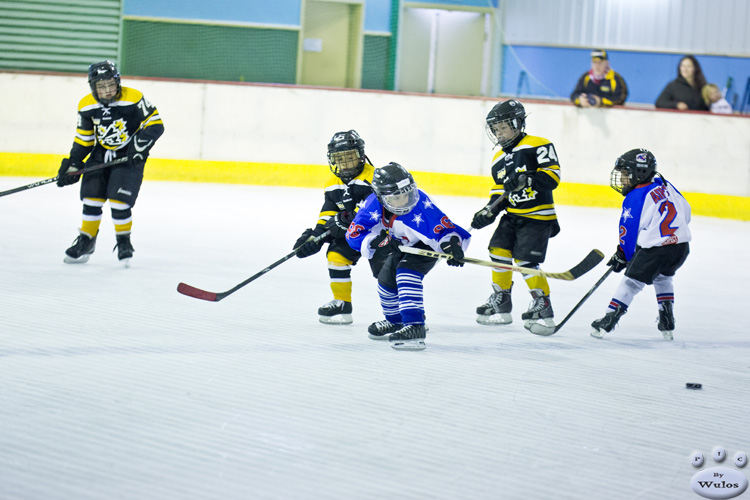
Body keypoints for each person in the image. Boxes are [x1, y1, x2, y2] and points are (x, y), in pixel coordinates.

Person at [345, 162, 470, 351]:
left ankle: (415, 326)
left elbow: (444, 230)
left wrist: (452, 247)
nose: (405, 201)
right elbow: (354, 234)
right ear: (381, 197)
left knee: (406, 274)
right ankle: (396, 321)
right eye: (396, 198)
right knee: (385, 280)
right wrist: (377, 240)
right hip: (401, 245)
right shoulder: (373, 204)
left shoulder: (421, 204)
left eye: (407, 194)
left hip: (425, 246)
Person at [57, 60, 164, 267]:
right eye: (101, 86)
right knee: (91, 198)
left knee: (119, 201)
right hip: (100, 154)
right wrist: (74, 163)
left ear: (118, 82)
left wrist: (140, 147)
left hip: (129, 154)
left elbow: (155, 124)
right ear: (92, 87)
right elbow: (84, 139)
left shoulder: (133, 97)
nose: (107, 90)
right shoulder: (86, 105)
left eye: (110, 85)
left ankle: (124, 241)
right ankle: (87, 240)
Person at [470, 99, 561, 333]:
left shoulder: (538, 144)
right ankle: (502, 299)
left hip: (538, 216)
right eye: (496, 129)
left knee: (524, 260)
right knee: (497, 251)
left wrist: (527, 178)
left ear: (518, 123)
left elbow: (552, 178)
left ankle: (543, 303)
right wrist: (487, 211)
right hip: (512, 216)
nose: (499, 133)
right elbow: (499, 193)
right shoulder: (497, 159)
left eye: (503, 127)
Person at [591, 149, 691, 341]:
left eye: (625, 175)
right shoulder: (665, 184)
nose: (621, 180)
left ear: (639, 174)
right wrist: (674, 235)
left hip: (656, 250)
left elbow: (628, 231)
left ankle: (608, 320)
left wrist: (624, 255)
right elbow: (686, 211)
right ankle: (667, 319)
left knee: (631, 282)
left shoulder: (635, 196)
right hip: (681, 247)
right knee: (663, 277)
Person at [293, 130, 376, 325]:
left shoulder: (374, 178)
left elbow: (375, 212)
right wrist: (316, 236)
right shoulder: (332, 184)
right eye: (340, 159)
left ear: (361, 156)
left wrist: (346, 219)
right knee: (336, 255)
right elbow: (328, 212)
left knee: (387, 272)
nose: (345, 164)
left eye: (350, 157)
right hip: (354, 235)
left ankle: (408, 311)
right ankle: (342, 303)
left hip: (381, 234)